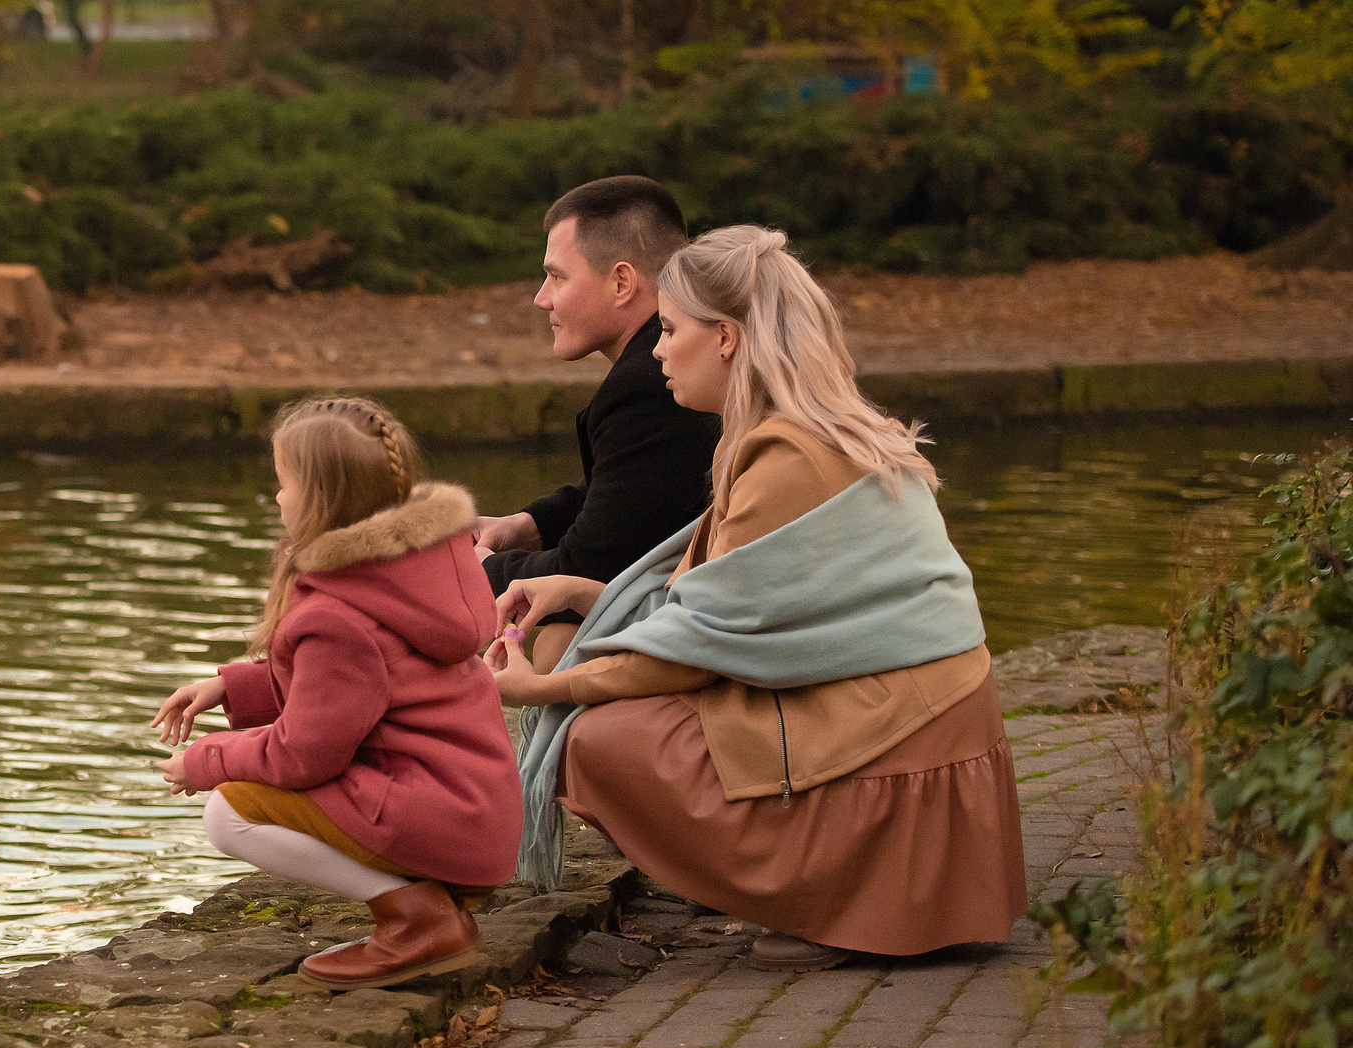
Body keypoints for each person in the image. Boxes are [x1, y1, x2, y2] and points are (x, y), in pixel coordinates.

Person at [489, 226, 1024, 971]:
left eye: (671, 329)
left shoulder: (786, 458)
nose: (657, 350)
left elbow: (696, 645)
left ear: (728, 338)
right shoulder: (793, 432)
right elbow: (733, 614)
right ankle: (808, 895)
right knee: (593, 671)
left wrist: (541, 687)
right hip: (916, 714)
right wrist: (583, 590)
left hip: (898, 728)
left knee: (594, 738)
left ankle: (823, 904)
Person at [152, 396, 522, 990]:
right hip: (473, 807)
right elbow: (351, 692)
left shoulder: (337, 614)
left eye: (284, 484)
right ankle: (425, 903)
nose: (277, 498)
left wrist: (205, 761)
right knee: (251, 790)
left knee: (228, 812)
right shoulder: (421, 565)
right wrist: (230, 686)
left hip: (440, 813)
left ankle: (418, 920)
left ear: (322, 497)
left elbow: (303, 754)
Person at [477, 177, 723, 670]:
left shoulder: (652, 384)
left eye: (557, 277)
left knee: (552, 647)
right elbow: (628, 492)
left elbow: (589, 569)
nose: (541, 298)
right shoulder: (650, 374)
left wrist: (477, 570)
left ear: (621, 282)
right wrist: (527, 526)